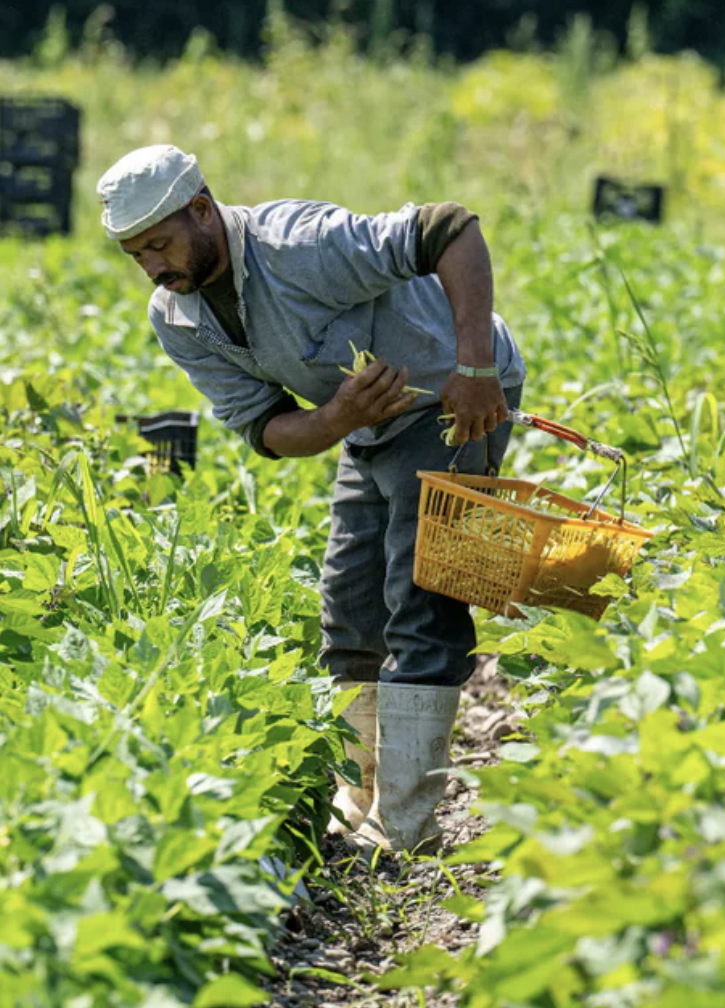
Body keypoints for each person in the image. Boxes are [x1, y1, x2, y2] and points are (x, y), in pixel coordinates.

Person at [96, 145, 526, 855]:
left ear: (202, 210)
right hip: (366, 418)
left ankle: (408, 823)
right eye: (136, 255)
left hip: (454, 395)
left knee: (422, 593)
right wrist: (338, 420)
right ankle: (358, 799)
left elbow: (450, 228)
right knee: (350, 606)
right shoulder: (177, 315)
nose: (153, 267)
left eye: (160, 245)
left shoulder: (300, 246)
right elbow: (268, 429)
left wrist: (476, 365)